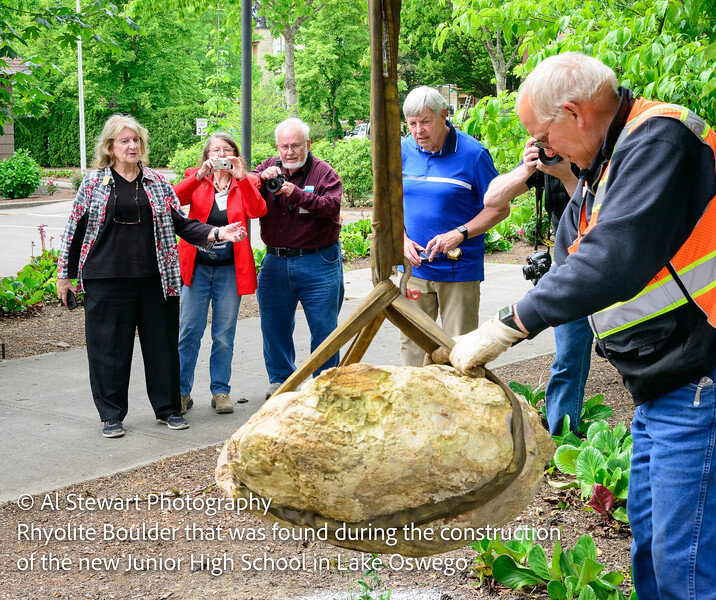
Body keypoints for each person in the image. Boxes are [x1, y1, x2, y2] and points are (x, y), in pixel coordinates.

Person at [449, 53, 716, 600]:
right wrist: (541, 173)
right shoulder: (601, 171)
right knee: (649, 549)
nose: (543, 151)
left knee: (683, 563)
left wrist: (506, 328)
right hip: (660, 384)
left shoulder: (659, 139)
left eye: (542, 137)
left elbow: (609, 262)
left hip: (697, 378)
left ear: (573, 114)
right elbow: (571, 258)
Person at [56, 114, 247, 439]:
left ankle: (168, 409)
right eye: (124, 141)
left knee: (162, 348)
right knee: (108, 350)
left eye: (136, 141)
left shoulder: (157, 183)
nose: (132, 146)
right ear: (111, 147)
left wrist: (217, 232)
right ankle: (111, 415)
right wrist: (66, 275)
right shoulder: (93, 182)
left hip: (156, 280)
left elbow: (182, 224)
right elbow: (74, 230)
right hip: (105, 279)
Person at [483, 138, 591, 435]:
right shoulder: (545, 158)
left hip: (606, 260)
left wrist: (568, 176)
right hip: (569, 265)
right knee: (568, 353)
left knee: (627, 348)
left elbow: (594, 216)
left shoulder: (592, 153)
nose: (550, 147)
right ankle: (561, 435)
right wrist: (527, 169)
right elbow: (492, 199)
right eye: (543, 140)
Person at [400, 85, 505, 366]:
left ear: (443, 115)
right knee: (412, 349)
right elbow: (387, 204)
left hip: (459, 271)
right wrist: (401, 239)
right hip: (415, 269)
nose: (418, 130)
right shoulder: (402, 151)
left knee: (460, 352)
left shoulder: (474, 154)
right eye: (412, 124)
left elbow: (500, 208)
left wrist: (459, 233)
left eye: (425, 121)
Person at [174, 133, 266, 415]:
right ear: (207, 155)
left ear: (235, 155)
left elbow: (258, 209)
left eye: (227, 150)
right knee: (189, 330)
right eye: (215, 150)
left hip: (229, 270)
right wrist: (198, 174)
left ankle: (221, 390)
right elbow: (171, 201)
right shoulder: (197, 177)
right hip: (198, 267)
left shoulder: (245, 181)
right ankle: (180, 392)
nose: (221, 154)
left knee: (224, 333)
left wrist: (241, 178)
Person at [252, 118, 344, 399]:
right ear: (277, 147)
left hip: (318, 261)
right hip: (275, 262)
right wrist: (258, 180)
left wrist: (297, 194)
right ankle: (281, 381)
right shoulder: (267, 168)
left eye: (295, 145)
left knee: (324, 327)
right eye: (284, 146)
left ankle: (324, 385)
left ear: (308, 144)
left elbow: (332, 207)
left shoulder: (324, 173)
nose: (289, 152)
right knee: (274, 325)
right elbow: (245, 194)